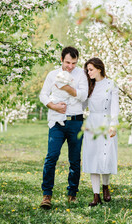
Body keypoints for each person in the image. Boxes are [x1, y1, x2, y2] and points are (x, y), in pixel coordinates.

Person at [39, 46, 88, 209]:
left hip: (75, 122)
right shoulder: (52, 75)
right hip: (56, 122)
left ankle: (72, 193)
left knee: (75, 160)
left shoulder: (81, 74)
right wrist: (53, 106)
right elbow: (43, 94)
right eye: (68, 62)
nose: (70, 66)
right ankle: (47, 195)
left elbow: (83, 95)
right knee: (51, 157)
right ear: (61, 59)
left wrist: (67, 88)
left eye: (74, 63)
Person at [82, 57, 119, 207]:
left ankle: (106, 187)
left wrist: (113, 125)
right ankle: (96, 195)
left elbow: (115, 106)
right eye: (87, 70)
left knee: (106, 156)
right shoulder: (88, 85)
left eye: (90, 69)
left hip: (107, 122)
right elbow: (82, 104)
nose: (88, 72)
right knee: (93, 158)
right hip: (92, 124)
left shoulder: (111, 84)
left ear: (99, 69)